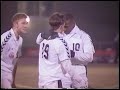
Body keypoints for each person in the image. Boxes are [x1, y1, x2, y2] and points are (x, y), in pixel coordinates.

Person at [36, 12, 74, 89]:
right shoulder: (59, 41)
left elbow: (37, 41)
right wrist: (77, 78)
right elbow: (66, 65)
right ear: (62, 24)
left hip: (42, 79)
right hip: (54, 80)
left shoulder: (44, 36)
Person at [60, 13, 95, 89]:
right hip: (63, 72)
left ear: (73, 22)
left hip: (79, 71)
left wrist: (73, 54)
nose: (64, 28)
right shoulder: (59, 35)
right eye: (62, 25)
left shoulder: (83, 36)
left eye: (66, 25)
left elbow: (89, 57)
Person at [1, 13, 30, 89]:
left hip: (9, 74)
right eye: (23, 23)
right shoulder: (5, 38)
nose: (26, 26)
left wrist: (13, 80)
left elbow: (15, 60)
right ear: (15, 24)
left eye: (27, 23)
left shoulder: (20, 40)